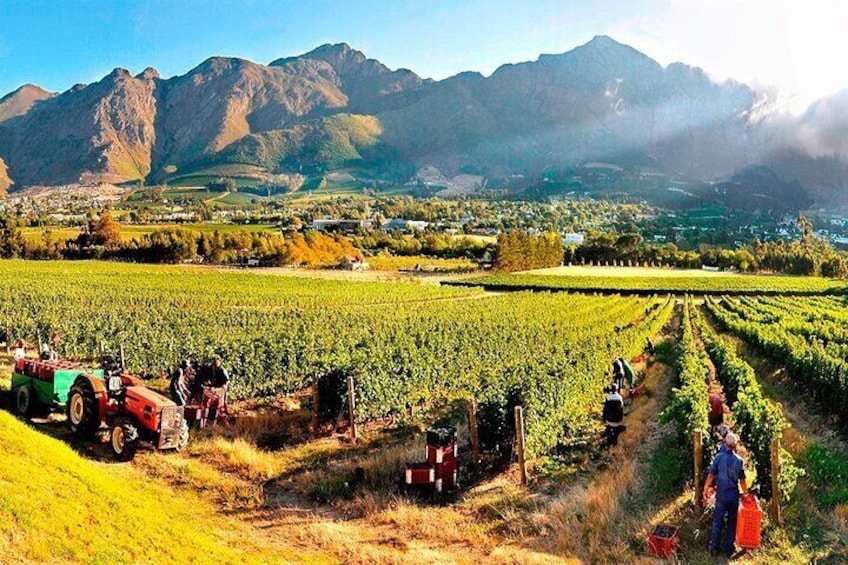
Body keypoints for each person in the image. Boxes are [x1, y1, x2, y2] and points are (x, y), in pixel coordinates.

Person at [703, 432, 748, 558]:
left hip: (721, 496)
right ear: (735, 446)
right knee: (732, 522)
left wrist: (705, 489)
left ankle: (714, 549)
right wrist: (745, 493)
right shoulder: (739, 461)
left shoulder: (718, 457)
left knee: (717, 521)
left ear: (725, 444)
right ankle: (729, 549)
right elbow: (742, 480)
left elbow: (711, 475)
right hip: (733, 496)